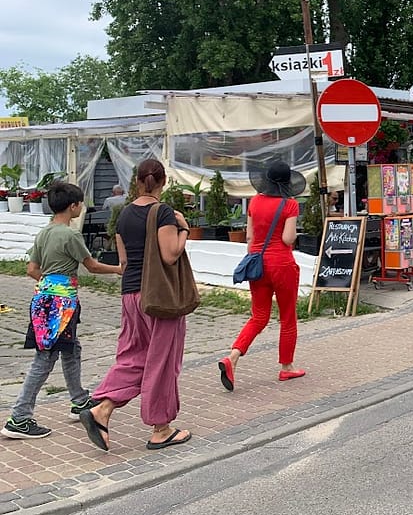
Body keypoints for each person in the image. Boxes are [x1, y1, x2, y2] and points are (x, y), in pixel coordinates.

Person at [80, 158, 193, 451]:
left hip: (130, 294)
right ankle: (161, 428)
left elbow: (125, 261)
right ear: (163, 181)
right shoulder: (164, 212)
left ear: (137, 181)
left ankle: (101, 410)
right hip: (158, 297)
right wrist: (183, 229)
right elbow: (170, 255)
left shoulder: (124, 214)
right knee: (163, 360)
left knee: (135, 356)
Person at [2, 183, 123, 440]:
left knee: (71, 349)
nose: (81, 207)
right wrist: (117, 269)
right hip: (62, 305)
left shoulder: (44, 233)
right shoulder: (70, 236)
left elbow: (31, 269)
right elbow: (91, 266)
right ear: (73, 206)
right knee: (44, 359)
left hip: (42, 299)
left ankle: (79, 400)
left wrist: (50, 283)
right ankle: (19, 417)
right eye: (80, 203)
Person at [218, 161, 307, 392]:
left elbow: (249, 238)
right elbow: (288, 239)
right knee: (287, 317)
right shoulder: (290, 205)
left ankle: (233, 357)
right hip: (282, 265)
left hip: (257, 265)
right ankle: (286, 366)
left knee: (259, 316)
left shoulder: (255, 202)